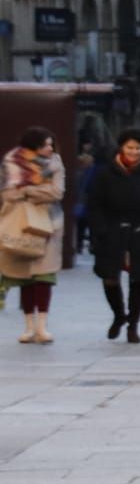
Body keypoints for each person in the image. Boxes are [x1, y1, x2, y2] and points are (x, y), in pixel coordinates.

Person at [85, 129, 140, 344]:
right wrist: (100, 229)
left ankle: (133, 324)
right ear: (121, 148)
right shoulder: (105, 174)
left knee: (137, 280)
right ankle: (119, 315)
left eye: (138, 148)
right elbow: (94, 205)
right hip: (112, 232)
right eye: (130, 147)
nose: (133, 152)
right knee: (110, 278)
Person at [1, 127, 66, 343]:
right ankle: (28, 326)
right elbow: (7, 194)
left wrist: (27, 190)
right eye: (45, 144)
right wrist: (38, 191)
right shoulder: (11, 162)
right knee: (24, 277)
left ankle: (42, 326)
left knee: (44, 277)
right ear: (33, 146)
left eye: (50, 144)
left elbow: (57, 192)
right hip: (20, 224)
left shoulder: (55, 163)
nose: (50, 148)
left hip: (50, 225)